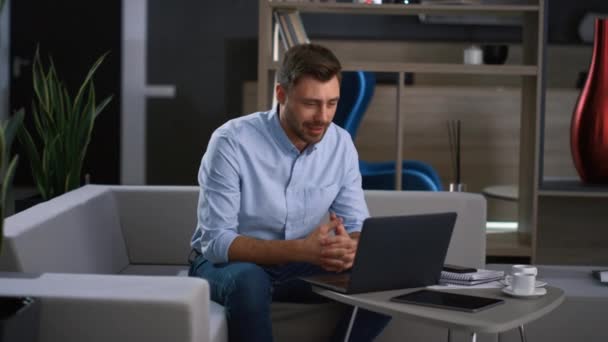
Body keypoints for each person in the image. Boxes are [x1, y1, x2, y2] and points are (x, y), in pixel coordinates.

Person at [189, 43, 390, 342]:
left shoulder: (341, 144)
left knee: (385, 277)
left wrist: (349, 248)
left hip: (298, 266)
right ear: (281, 94)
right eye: (311, 103)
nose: (323, 116)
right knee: (250, 281)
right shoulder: (231, 141)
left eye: (332, 103)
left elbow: (356, 227)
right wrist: (303, 250)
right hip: (226, 266)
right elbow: (217, 242)